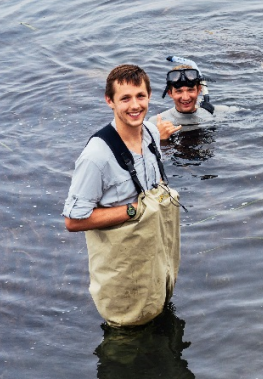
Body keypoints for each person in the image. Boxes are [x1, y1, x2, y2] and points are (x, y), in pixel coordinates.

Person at [63, 64, 181, 327]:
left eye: (140, 96)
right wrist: (132, 211)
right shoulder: (96, 157)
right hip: (121, 275)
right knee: (125, 344)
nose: (134, 105)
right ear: (110, 101)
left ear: (150, 96)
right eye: (125, 98)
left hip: (155, 263)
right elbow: (73, 221)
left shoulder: (151, 133)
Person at [151, 61, 215, 140]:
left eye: (190, 90)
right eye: (179, 91)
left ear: (199, 90)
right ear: (170, 93)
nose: (185, 97)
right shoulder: (156, 123)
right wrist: (160, 139)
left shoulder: (213, 114)